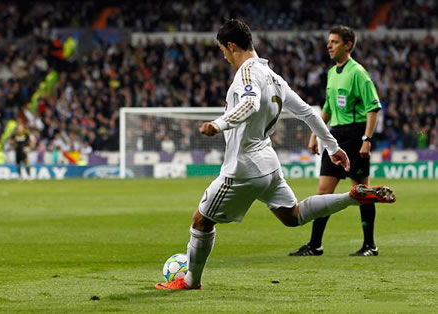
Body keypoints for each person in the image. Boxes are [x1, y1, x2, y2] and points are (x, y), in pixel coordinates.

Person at [154, 19, 395, 290]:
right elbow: (307, 112)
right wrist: (333, 147)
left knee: (201, 221)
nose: (223, 56)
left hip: (242, 168)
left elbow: (249, 102)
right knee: (293, 216)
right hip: (268, 163)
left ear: (231, 46)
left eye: (223, 50)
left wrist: (218, 124)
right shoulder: (273, 77)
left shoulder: (247, 73)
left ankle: (190, 281)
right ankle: (350, 197)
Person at [289, 25, 383, 257]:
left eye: (335, 42)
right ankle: (315, 245)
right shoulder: (332, 73)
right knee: (323, 192)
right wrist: (315, 134)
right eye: (329, 42)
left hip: (355, 133)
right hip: (336, 136)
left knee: (361, 190)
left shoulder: (358, 73)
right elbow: (328, 109)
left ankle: (369, 245)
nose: (329, 45)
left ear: (348, 45)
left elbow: (373, 107)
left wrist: (366, 139)